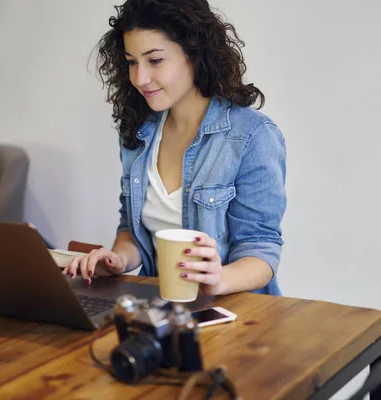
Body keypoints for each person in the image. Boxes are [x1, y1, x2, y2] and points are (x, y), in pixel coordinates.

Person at [63, 0, 287, 296]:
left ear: (195, 53)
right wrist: (118, 260)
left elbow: (261, 249)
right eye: (132, 62)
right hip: (159, 308)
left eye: (154, 60)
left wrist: (217, 279)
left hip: (235, 316)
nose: (140, 78)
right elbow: (132, 230)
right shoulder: (139, 131)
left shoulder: (252, 136)